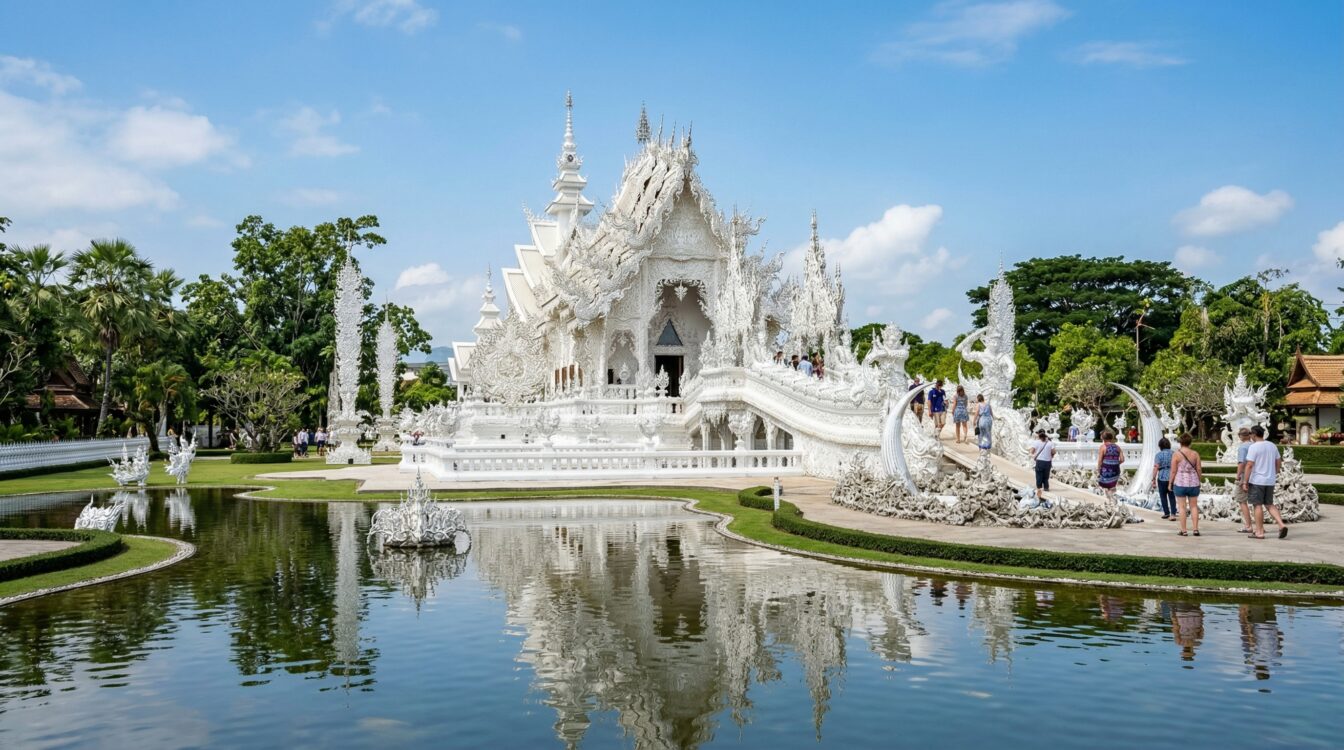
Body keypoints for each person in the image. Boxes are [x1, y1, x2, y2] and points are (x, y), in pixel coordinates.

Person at [1243, 424, 1287, 540]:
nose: (1250, 436)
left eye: (1251, 434)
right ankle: (1281, 524)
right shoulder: (1272, 445)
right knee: (1269, 504)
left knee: (1257, 505)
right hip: (1270, 480)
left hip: (1257, 480)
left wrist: (1245, 481)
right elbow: (1278, 461)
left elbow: (1249, 465)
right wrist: (1275, 472)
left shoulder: (1254, 447)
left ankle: (1259, 532)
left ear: (1254, 434)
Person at [1170, 432, 1202, 536]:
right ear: (1190, 442)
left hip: (1180, 483)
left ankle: (1184, 530)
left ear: (1180, 443)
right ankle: (1195, 529)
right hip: (1193, 483)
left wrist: (1170, 482)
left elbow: (1173, 471)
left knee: (1182, 507)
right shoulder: (1195, 454)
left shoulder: (1176, 454)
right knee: (1194, 506)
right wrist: (1199, 480)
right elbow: (1199, 469)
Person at [1231, 427, 1255, 533]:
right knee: (1257, 503)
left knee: (1242, 501)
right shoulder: (1254, 445)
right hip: (1255, 476)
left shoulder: (1242, 447)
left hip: (1245, 476)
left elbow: (1241, 463)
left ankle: (1248, 526)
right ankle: (1260, 527)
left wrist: (1237, 476)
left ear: (1240, 436)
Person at [1095, 431, 1124, 499]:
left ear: (1103, 438)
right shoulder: (1117, 447)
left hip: (1106, 469)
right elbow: (1122, 460)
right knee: (1112, 486)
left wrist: (1099, 469)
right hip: (1116, 469)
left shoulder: (1103, 447)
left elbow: (1100, 460)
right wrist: (1115, 463)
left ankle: (1108, 501)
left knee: (1105, 486)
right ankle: (1113, 500)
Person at [1152, 437, 1176, 519]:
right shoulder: (1174, 453)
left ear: (1160, 446)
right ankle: (1173, 513)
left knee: (1163, 496)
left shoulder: (1158, 455)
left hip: (1161, 476)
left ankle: (1166, 512)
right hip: (1172, 477)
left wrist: (1153, 479)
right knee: (1172, 496)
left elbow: (1156, 467)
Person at [1031, 429, 1054, 503]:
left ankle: (1039, 488)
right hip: (1048, 462)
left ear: (1038, 435)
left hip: (1040, 461)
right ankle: (1046, 487)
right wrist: (1051, 456)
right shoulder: (1050, 443)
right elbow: (1054, 452)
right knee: (1046, 475)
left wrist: (1034, 455)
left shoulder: (1036, 442)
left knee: (1039, 475)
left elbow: (1032, 451)